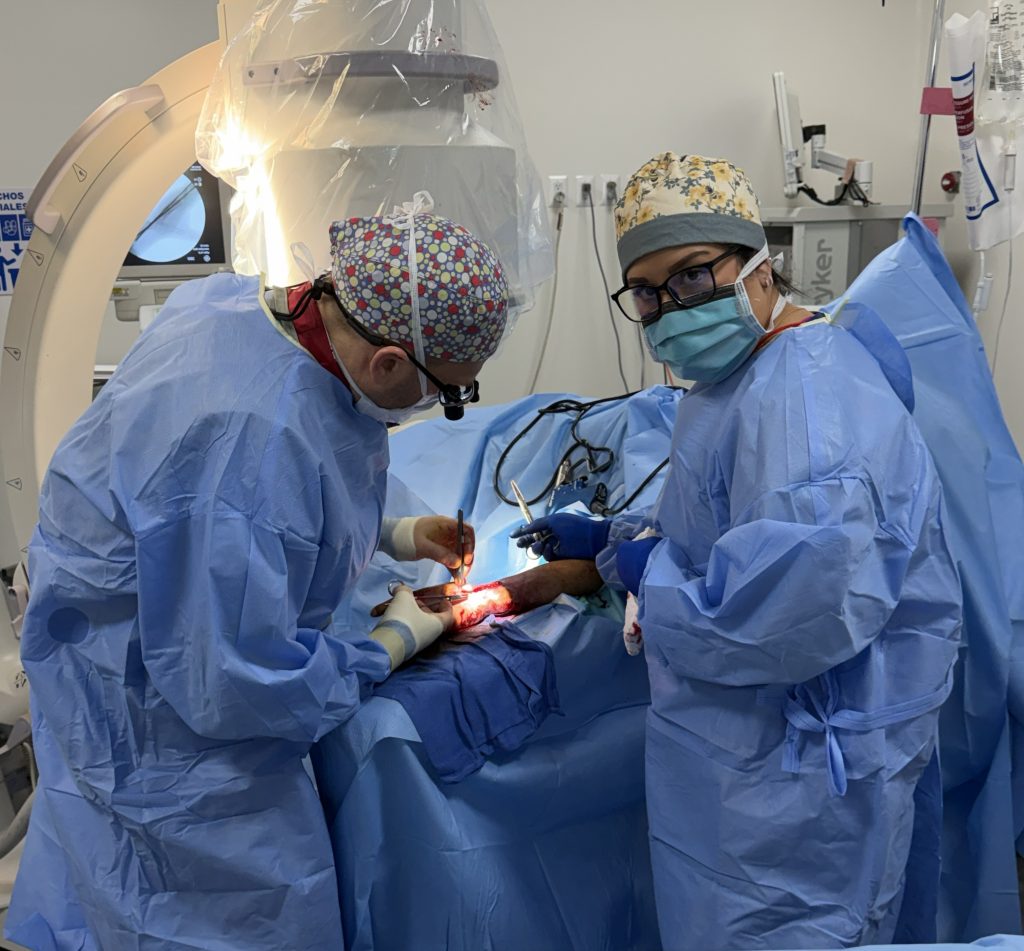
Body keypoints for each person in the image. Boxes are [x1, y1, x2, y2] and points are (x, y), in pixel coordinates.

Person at [6, 199, 509, 950]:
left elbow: (258, 494)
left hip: (122, 651)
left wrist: (394, 531)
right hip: (162, 734)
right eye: (449, 392)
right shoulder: (253, 438)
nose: (443, 403)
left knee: (106, 880)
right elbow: (235, 680)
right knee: (212, 913)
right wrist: (388, 646)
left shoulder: (229, 308)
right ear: (389, 363)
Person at [516, 153, 963, 949]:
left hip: (805, 783)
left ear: (758, 263)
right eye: (646, 293)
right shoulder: (743, 376)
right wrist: (616, 541)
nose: (669, 309)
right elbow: (730, 524)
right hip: (757, 760)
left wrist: (654, 580)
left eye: (691, 277)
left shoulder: (807, 399)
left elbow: (789, 606)